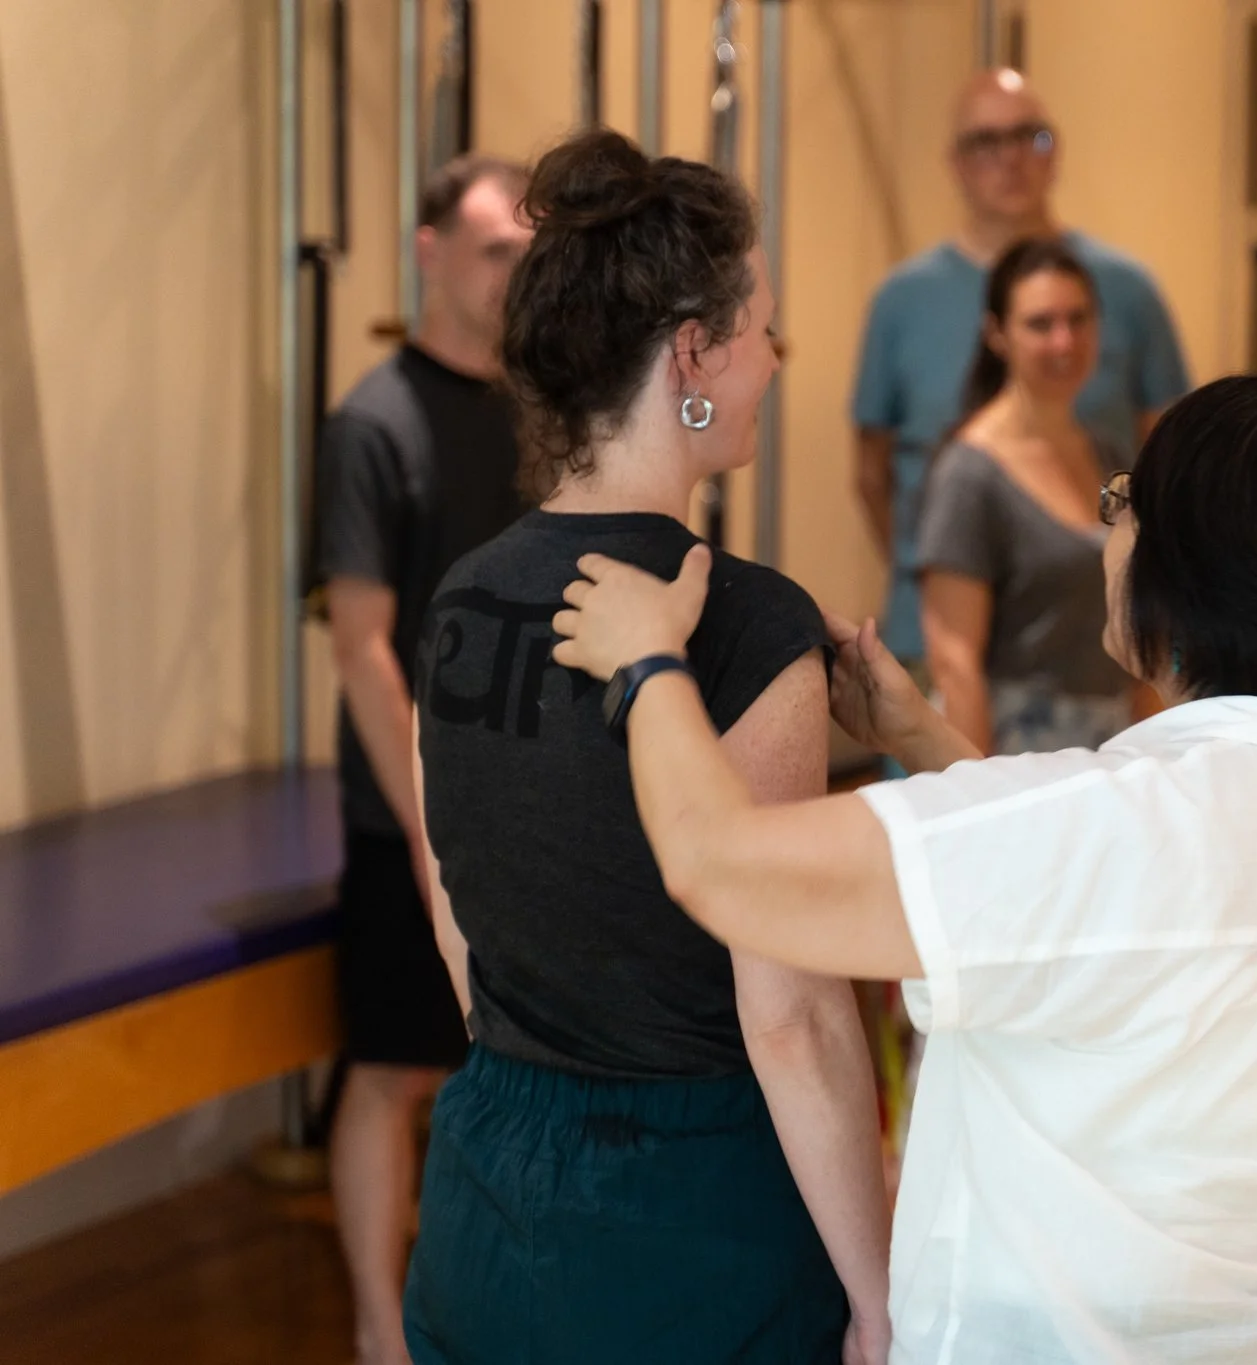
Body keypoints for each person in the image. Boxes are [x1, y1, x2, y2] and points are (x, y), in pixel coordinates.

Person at [553, 374, 1257, 1363]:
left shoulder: (1116, 827)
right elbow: (1093, 912)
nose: (1110, 531)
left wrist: (646, 667)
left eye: (1121, 505)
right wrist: (921, 736)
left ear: (1188, 572)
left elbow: (719, 865)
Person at [403, 131, 891, 1363]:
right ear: (693, 355)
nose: (775, 362)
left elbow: (456, 889)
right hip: (691, 1219)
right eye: (764, 330)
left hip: (482, 1197)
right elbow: (786, 1015)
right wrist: (883, 1296)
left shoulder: (461, 596)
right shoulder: (746, 623)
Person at [311, 153, 531, 1365]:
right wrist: (426, 820)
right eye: (494, 248)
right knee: (395, 1066)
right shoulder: (373, 423)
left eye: (523, 253)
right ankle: (373, 1334)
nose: (511, 273)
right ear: (429, 249)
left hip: (521, 800)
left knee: (501, 1070)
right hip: (408, 810)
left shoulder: (542, 411)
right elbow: (362, 647)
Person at [852, 67, 1190, 676]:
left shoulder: (1128, 291)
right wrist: (942, 567)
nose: (1010, 160)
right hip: (936, 640)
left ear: (1054, 150)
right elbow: (871, 472)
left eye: (1028, 137)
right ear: (955, 162)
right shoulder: (902, 300)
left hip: (1090, 644)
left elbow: (1167, 461)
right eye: (986, 143)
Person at [921, 237, 1131, 755]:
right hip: (1017, 747)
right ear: (997, 334)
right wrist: (983, 792)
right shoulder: (969, 473)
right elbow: (954, 662)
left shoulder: (1107, 454)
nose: (1064, 341)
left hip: (1109, 740)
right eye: (1041, 324)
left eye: (1078, 319)